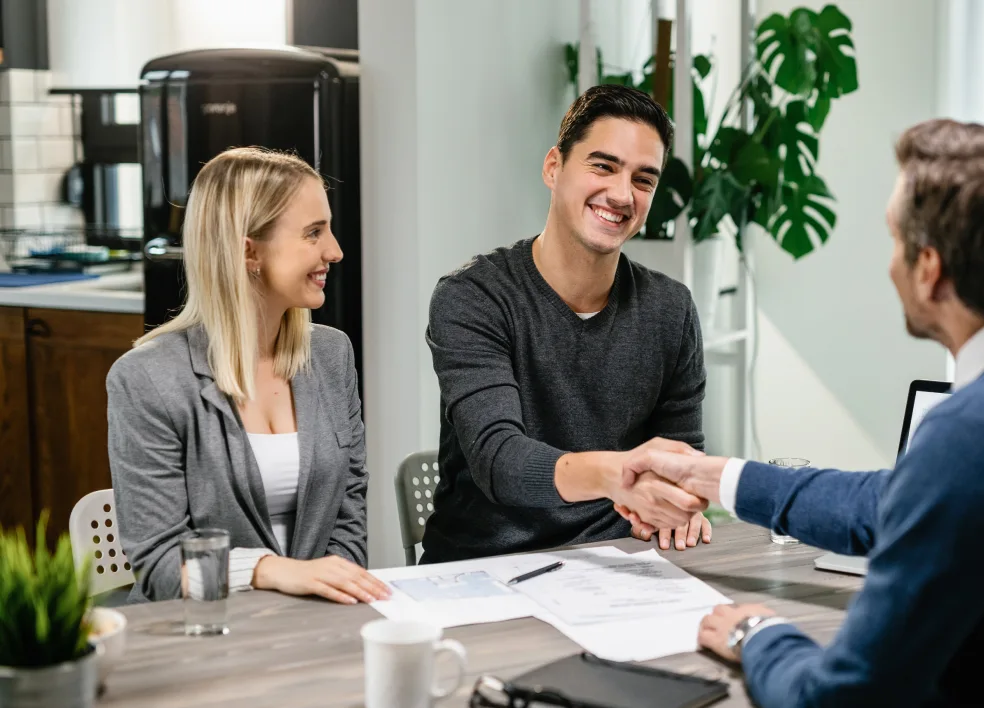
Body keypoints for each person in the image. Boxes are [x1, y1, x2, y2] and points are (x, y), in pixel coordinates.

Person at [618, 120, 984, 708]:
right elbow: (894, 502)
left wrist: (756, 634)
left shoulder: (979, 435)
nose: (891, 265)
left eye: (895, 241)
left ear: (929, 269)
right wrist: (714, 476)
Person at [422, 84, 711, 563]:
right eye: (603, 166)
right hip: (486, 570)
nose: (621, 194)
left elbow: (679, 457)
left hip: (623, 563)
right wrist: (622, 475)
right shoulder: (473, 298)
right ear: (553, 167)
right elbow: (501, 462)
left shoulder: (670, 308)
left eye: (644, 180)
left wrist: (682, 500)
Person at [107, 147, 389, 606]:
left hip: (316, 629)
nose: (334, 251)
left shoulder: (332, 355)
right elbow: (160, 568)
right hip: (200, 634)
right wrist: (271, 571)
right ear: (248, 250)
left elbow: (349, 513)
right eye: (313, 233)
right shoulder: (147, 379)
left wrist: (321, 606)